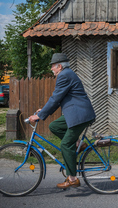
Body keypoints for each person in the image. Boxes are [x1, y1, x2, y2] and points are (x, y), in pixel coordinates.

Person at [29, 53, 96, 189]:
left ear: (59, 66)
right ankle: (77, 143)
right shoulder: (67, 74)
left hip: (79, 115)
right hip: (75, 113)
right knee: (54, 126)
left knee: (65, 145)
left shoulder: (64, 75)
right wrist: (43, 112)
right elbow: (59, 98)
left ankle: (72, 178)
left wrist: (39, 116)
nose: (51, 69)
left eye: (53, 66)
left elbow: (55, 98)